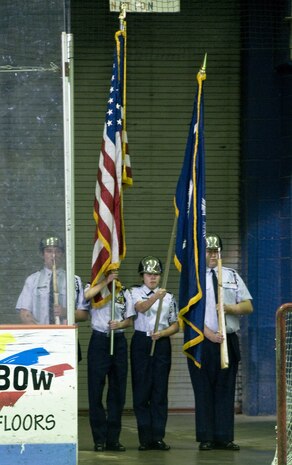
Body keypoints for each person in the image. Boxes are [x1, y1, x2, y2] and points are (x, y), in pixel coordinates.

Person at [188, 234, 253, 452]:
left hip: (228, 339)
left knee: (225, 391)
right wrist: (207, 333)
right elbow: (188, 313)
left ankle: (224, 437)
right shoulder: (193, 278)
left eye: (216, 251)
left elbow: (247, 306)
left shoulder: (232, 276)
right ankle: (206, 437)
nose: (213, 255)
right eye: (208, 251)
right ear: (202, 253)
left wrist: (229, 308)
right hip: (202, 340)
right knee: (204, 391)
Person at [130, 256, 179, 451]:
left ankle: (158, 436)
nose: (153, 278)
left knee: (159, 392)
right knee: (142, 392)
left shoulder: (169, 297)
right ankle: (144, 438)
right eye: (149, 274)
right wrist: (154, 297)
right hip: (141, 342)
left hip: (161, 343)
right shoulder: (134, 292)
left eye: (156, 274)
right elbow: (140, 308)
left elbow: (175, 325)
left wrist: (164, 333)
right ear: (142, 275)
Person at [85, 270, 135, 453]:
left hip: (119, 341)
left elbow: (129, 321)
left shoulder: (124, 292)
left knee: (117, 393)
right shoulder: (94, 290)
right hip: (99, 341)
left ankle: (113, 439)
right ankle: (99, 438)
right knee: (95, 391)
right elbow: (86, 296)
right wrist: (106, 281)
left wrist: (119, 325)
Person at [16, 235, 88, 325]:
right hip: (40, 335)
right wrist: (41, 333)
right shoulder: (32, 280)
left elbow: (84, 314)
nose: (53, 255)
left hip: (66, 336)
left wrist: (66, 312)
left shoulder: (74, 280)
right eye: (49, 251)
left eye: (57, 251)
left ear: (63, 254)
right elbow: (24, 313)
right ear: (42, 254)